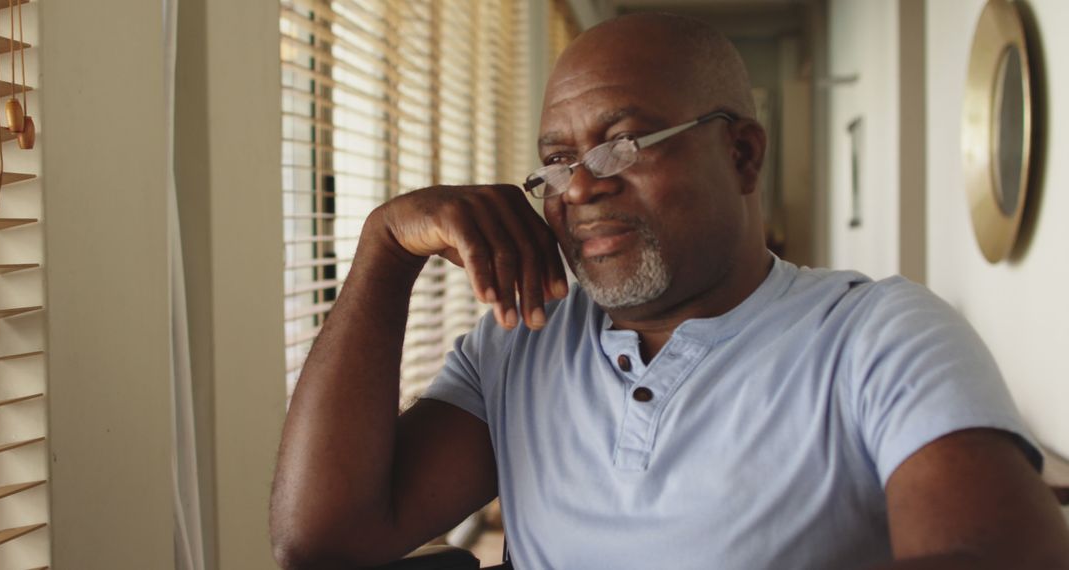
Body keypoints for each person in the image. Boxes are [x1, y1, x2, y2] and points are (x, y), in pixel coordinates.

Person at [270, 13, 1069, 570]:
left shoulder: (877, 336)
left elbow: (1005, 556)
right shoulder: (522, 339)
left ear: (743, 157)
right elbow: (325, 539)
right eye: (555, 160)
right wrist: (384, 250)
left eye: (622, 145)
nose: (578, 188)